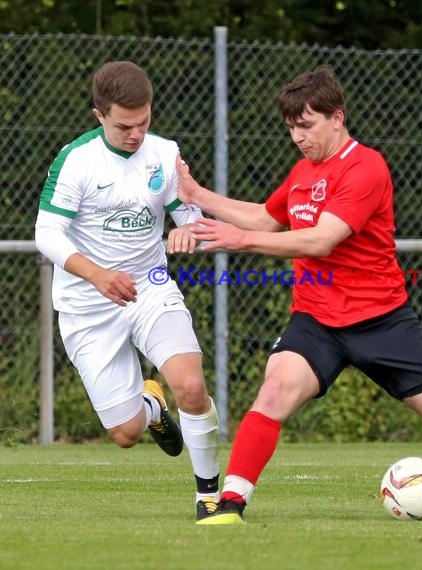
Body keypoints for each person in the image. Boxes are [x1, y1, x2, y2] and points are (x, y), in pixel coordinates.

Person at [170, 66, 422, 525]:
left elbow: (322, 240)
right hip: (316, 321)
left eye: (307, 125)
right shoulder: (303, 172)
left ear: (337, 117)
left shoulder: (366, 167)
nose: (298, 137)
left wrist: (238, 241)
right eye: (291, 128)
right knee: (274, 391)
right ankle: (231, 504)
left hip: (382, 321)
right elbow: (265, 217)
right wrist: (197, 193)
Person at [35, 60, 220, 523]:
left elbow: (190, 215)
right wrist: (96, 274)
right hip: (87, 305)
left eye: (144, 121)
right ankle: (151, 405)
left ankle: (211, 498)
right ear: (99, 115)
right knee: (125, 432)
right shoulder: (76, 160)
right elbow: (47, 234)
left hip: (150, 287)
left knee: (192, 385)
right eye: (124, 126)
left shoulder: (164, 153)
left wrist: (187, 232)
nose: (136, 134)